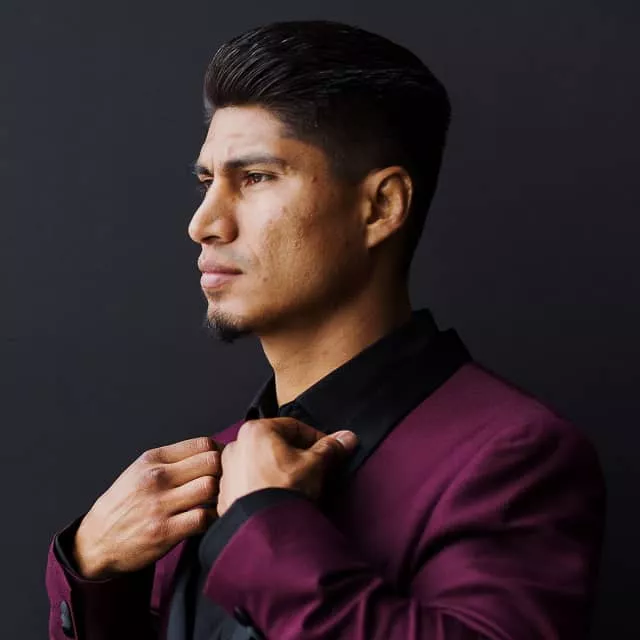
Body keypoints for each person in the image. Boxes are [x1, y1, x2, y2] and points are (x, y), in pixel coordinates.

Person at [45, 19, 605, 640]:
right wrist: (93, 574)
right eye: (207, 182)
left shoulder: (511, 457)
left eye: (255, 177)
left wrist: (265, 528)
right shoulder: (204, 474)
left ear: (381, 206)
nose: (203, 223)